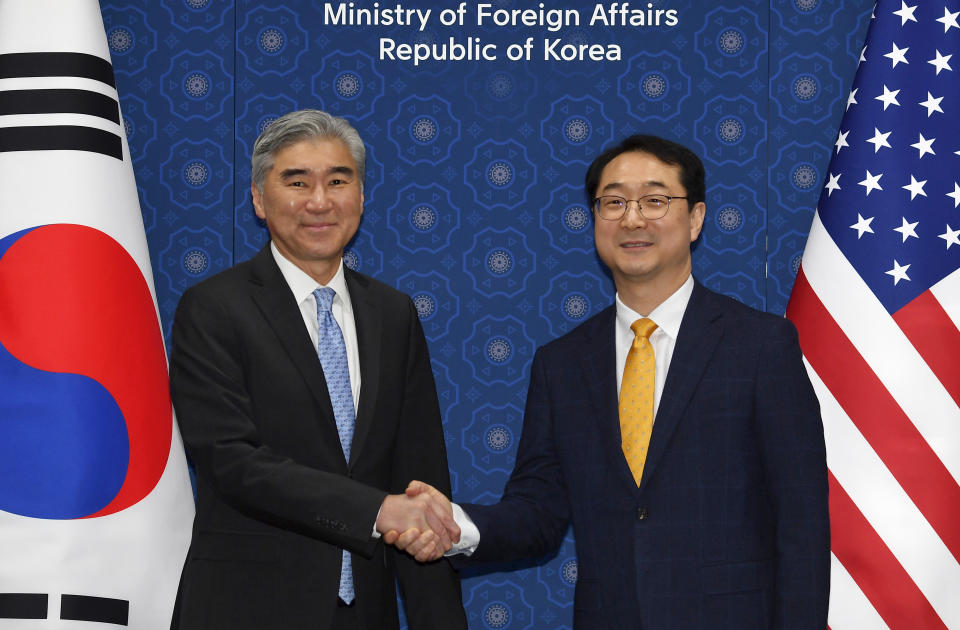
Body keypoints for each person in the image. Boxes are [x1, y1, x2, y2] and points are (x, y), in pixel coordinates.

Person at [393, 135, 830, 629]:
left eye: (656, 200)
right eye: (614, 202)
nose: (633, 218)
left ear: (696, 218)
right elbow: (538, 513)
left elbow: (802, 525)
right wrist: (458, 525)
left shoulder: (760, 345)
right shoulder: (561, 364)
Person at [169, 109, 467, 630]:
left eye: (337, 180)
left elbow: (420, 480)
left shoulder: (393, 314)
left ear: (362, 196)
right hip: (246, 608)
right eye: (297, 182)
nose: (319, 202)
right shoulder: (214, 307)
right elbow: (231, 461)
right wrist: (377, 510)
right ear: (260, 199)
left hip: (366, 614)